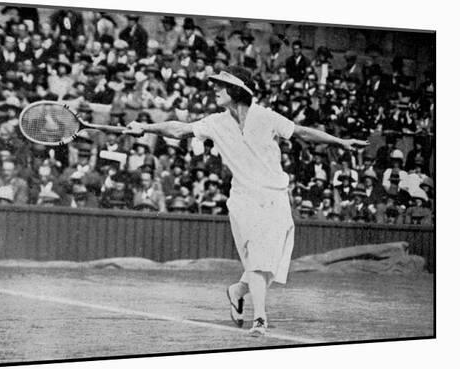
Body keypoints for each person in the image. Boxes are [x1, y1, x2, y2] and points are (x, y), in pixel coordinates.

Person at [125, 66, 367, 336]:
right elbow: (180, 130)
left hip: (276, 197)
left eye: (221, 85)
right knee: (258, 259)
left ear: (237, 90)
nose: (215, 90)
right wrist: (145, 127)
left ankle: (237, 291)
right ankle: (260, 319)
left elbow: (302, 132)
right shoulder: (215, 122)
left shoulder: (266, 117)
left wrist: (341, 142)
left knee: (269, 266)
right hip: (244, 199)